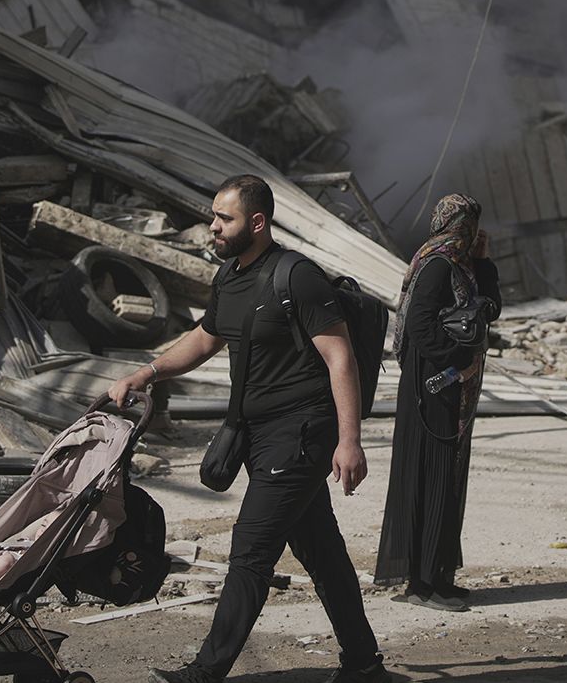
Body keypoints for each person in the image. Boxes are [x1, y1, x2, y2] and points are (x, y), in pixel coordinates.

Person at [108, 174, 389, 683]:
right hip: (257, 435)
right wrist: (146, 372)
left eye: (224, 218)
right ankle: (365, 664)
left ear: (256, 222)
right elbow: (204, 338)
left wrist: (350, 442)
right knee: (321, 551)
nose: (212, 226)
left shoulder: (296, 277)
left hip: (301, 433)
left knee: (251, 552)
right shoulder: (230, 276)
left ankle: (205, 672)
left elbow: (340, 358)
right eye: (214, 215)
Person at [374, 194, 500, 612]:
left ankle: (440, 575)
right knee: (429, 476)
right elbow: (420, 327)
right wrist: (459, 359)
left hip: (451, 389)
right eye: (469, 225)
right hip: (431, 388)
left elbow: (490, 311)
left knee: (447, 477)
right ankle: (421, 583)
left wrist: (483, 262)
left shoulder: (463, 266)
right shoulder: (436, 265)